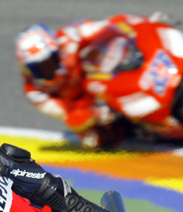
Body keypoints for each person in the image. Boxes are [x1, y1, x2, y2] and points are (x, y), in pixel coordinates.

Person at [15, 13, 167, 148]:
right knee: (94, 141)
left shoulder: (71, 36)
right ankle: (140, 130)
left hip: (102, 74)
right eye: (38, 67)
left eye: (51, 60)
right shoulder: (34, 91)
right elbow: (67, 115)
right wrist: (94, 114)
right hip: (85, 104)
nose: (48, 68)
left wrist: (146, 22)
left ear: (57, 48)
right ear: (27, 68)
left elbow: (110, 25)